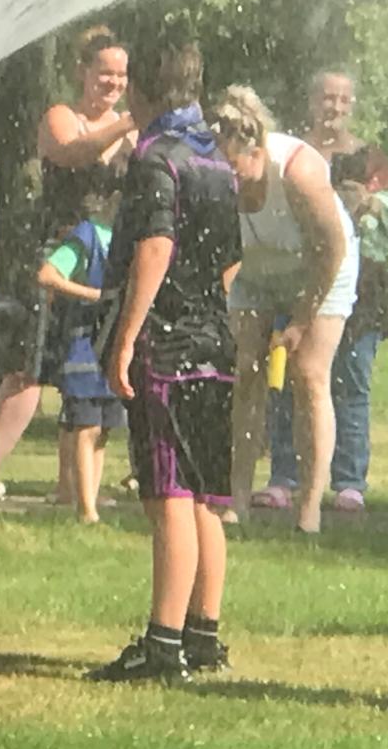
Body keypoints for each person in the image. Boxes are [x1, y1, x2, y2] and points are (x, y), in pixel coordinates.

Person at [89, 35, 240, 683]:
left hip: (168, 347)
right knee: (204, 496)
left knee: (170, 494)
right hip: (214, 341)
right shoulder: (218, 160)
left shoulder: (156, 158)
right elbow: (230, 260)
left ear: (143, 92)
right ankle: (204, 635)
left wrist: (127, 336)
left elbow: (155, 246)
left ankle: (163, 645)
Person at [0, 26, 134, 500]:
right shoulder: (61, 116)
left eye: (121, 75)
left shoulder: (131, 133)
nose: (112, 83)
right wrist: (129, 123)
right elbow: (73, 154)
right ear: (82, 73)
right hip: (58, 252)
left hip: (107, 259)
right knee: (29, 370)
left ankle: (74, 487)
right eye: (104, 73)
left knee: (93, 377)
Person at [213, 85, 355, 534]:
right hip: (258, 266)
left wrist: (300, 319)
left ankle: (309, 509)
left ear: (255, 146)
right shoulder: (218, 167)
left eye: (234, 168)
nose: (229, 181)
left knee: (308, 374)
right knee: (245, 372)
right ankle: (235, 497)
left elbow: (330, 249)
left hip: (321, 267)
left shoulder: (298, 171)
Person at [299, 69, 388, 512]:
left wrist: (373, 201)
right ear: (311, 101)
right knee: (293, 380)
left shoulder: (369, 157)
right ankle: (289, 476)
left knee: (352, 383)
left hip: (363, 286)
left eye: (343, 100)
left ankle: (348, 482)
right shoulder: (298, 152)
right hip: (302, 279)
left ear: (353, 106)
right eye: (327, 98)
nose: (335, 108)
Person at [36, 188, 122, 524]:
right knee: (86, 426)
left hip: (113, 342)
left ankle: (89, 499)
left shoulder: (131, 236)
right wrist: (93, 295)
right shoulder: (88, 235)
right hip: (85, 342)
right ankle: (86, 510)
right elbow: (48, 274)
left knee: (103, 430)